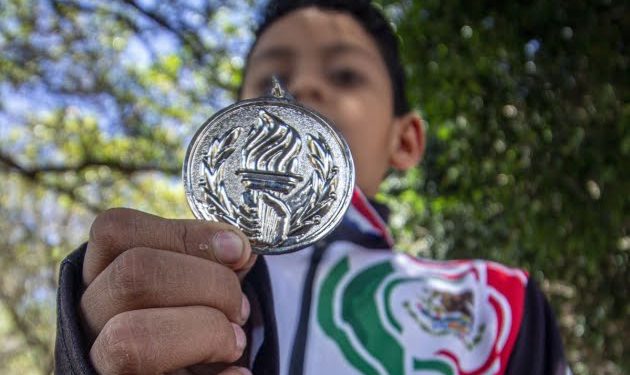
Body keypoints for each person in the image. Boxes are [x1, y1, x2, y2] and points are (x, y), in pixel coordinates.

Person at [55, 1, 571, 374]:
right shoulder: (147, 295)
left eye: (345, 74)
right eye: (269, 79)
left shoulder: (495, 306)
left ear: (406, 140)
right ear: (233, 120)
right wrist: (83, 355)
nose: (300, 89)